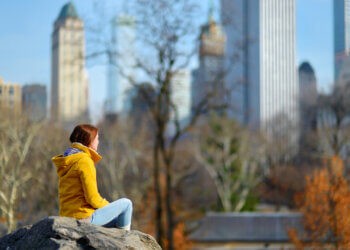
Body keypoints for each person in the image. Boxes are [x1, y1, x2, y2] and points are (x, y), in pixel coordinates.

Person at [52, 124, 132, 230]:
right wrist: (108, 207)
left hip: (67, 217)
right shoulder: (84, 161)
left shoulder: (68, 159)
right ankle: (125, 240)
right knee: (126, 204)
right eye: (97, 139)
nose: (98, 142)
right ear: (89, 140)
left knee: (117, 221)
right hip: (83, 217)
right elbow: (92, 198)